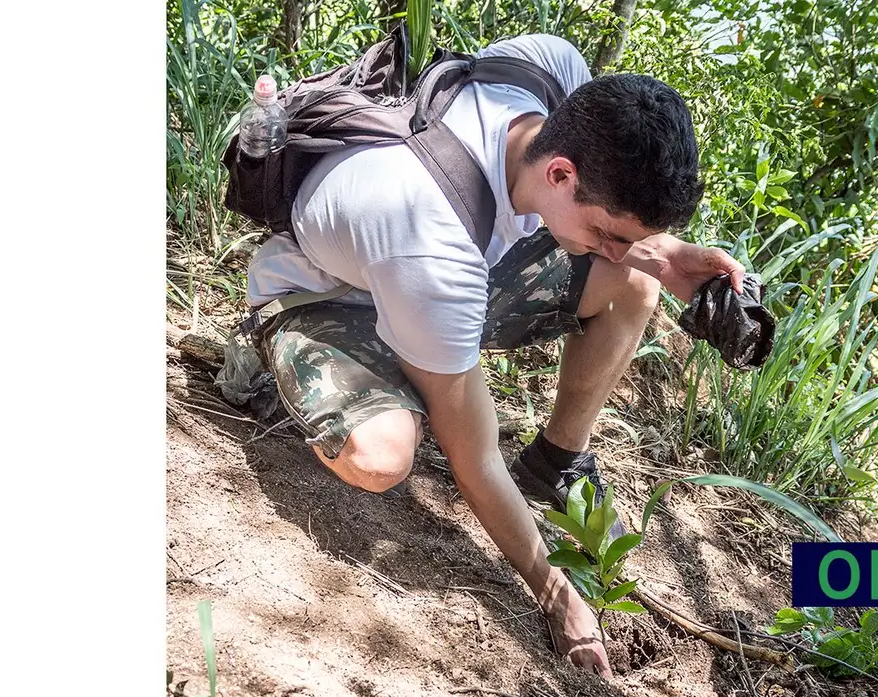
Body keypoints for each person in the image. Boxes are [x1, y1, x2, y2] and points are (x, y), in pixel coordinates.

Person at [244, 33, 746, 677]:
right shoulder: (434, 251)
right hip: (323, 295)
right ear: (560, 173)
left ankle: (554, 461)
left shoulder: (549, 71)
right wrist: (556, 591)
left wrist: (667, 256)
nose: (615, 250)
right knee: (383, 457)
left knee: (634, 286)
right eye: (609, 235)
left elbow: (606, 217)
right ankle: (277, 364)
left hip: (425, 280)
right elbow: (475, 459)